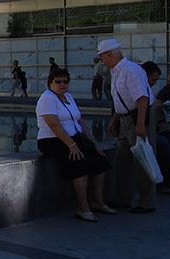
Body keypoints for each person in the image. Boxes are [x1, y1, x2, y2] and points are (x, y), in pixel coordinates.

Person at [36, 67, 114, 222]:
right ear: (50, 83)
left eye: (65, 81)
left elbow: (79, 121)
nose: (62, 84)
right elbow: (53, 124)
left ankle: (98, 202)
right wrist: (71, 145)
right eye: (58, 81)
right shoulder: (47, 98)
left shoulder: (68, 97)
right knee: (79, 165)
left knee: (100, 161)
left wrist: (93, 142)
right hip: (52, 140)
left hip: (75, 138)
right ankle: (83, 208)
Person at [99, 38, 158, 214]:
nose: (101, 61)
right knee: (123, 159)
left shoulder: (131, 70)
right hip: (126, 118)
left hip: (137, 117)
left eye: (101, 57)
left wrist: (140, 124)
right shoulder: (117, 71)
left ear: (108, 55)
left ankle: (147, 201)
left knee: (143, 158)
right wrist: (115, 120)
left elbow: (142, 98)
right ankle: (123, 197)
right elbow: (123, 99)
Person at [141, 61, 170, 196]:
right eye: (154, 80)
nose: (155, 83)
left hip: (152, 128)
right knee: (163, 143)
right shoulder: (139, 88)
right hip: (142, 130)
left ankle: (168, 174)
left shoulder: (148, 89)